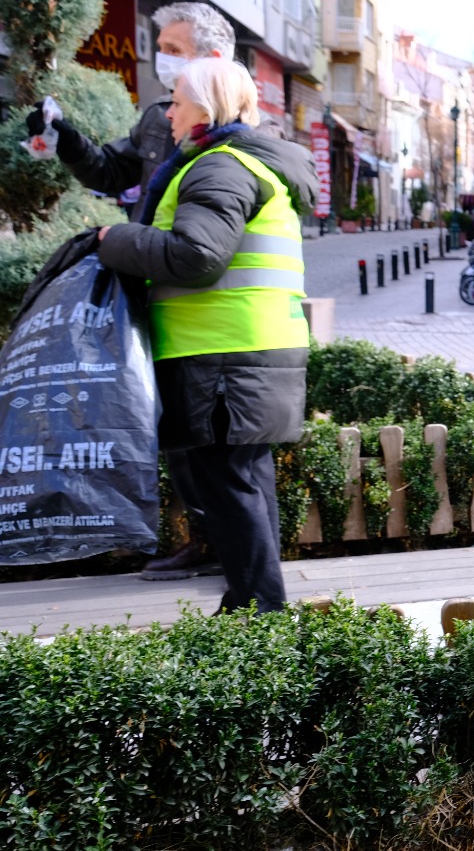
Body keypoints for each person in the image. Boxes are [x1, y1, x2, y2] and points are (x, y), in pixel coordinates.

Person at [95, 58, 317, 616]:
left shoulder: (218, 167)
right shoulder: (245, 163)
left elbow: (196, 256)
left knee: (229, 488)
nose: (168, 112)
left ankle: (256, 615)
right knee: (243, 483)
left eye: (177, 99)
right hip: (246, 349)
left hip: (223, 355)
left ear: (208, 105)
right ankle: (256, 609)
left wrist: (115, 239)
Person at [26, 1, 237, 582]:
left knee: (207, 432)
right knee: (164, 420)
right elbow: (109, 171)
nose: (161, 58)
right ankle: (199, 536)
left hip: (203, 294)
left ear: (210, 57)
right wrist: (64, 135)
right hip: (147, 282)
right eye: (160, 46)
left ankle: (228, 546)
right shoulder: (157, 119)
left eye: (173, 48)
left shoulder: (235, 130)